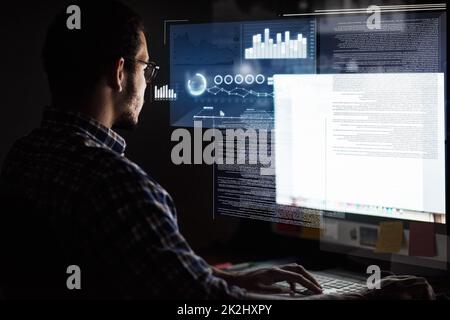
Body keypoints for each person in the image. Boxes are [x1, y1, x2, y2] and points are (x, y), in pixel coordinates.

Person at [0, 0, 435, 300]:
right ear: (119, 72)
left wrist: (229, 277)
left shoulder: (23, 156)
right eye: (145, 66)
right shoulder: (117, 184)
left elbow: (144, 271)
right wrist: (367, 295)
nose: (149, 80)